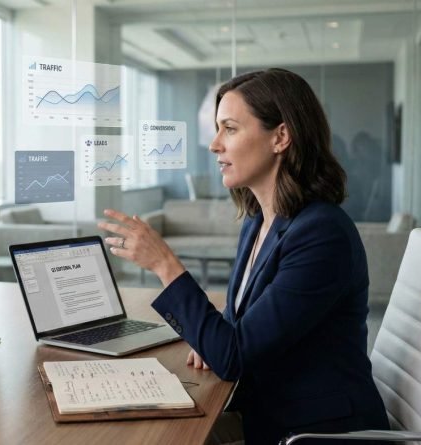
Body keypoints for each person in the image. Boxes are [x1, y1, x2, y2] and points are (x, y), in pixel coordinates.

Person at [98, 69, 389, 445]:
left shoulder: (322, 234)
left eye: (230, 129)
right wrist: (213, 341)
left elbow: (233, 355)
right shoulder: (258, 222)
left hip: (315, 430)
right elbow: (237, 330)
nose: (215, 144)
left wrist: (164, 264)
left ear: (280, 137)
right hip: (268, 408)